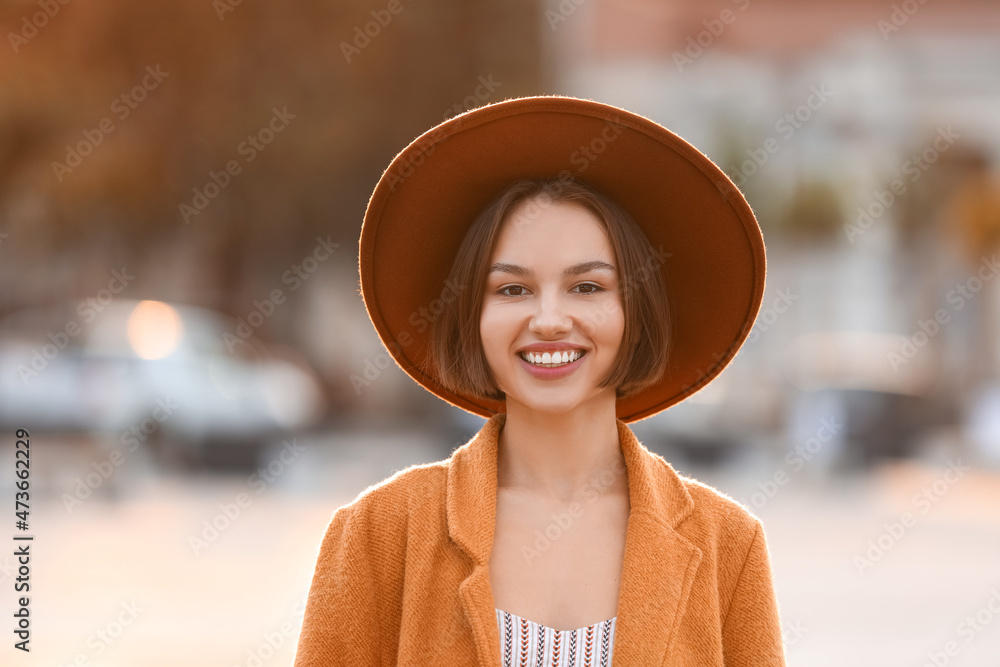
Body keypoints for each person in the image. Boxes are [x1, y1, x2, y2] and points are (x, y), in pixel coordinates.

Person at [292, 95, 786, 666]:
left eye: (588, 287)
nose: (549, 320)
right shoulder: (378, 535)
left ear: (636, 311)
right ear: (471, 317)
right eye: (512, 289)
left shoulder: (729, 546)